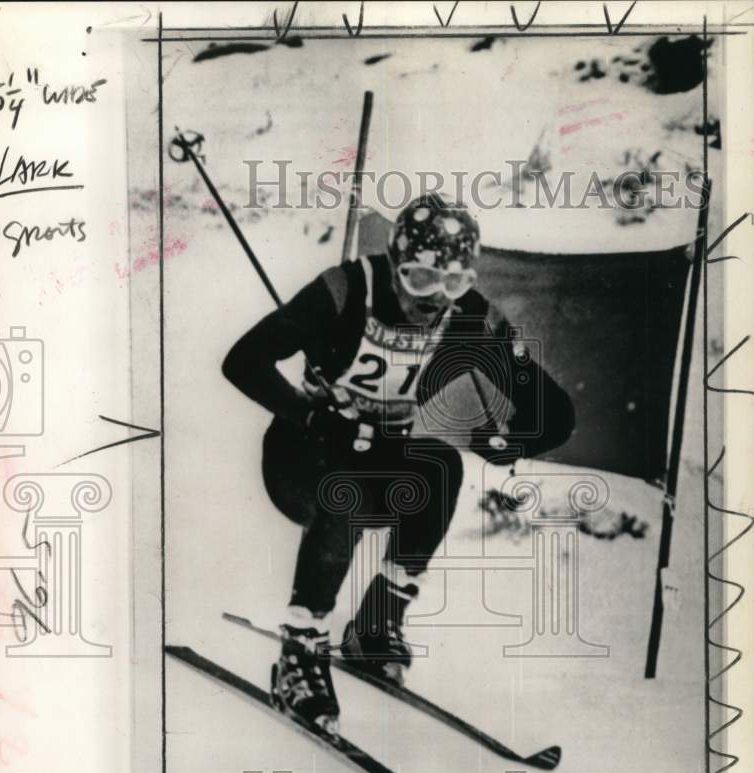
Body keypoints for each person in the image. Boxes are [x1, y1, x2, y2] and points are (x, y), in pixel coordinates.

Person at [223, 194, 574, 733]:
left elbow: (553, 414)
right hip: (302, 456)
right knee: (342, 489)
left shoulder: (472, 316)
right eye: (419, 279)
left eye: (452, 283)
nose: (433, 299)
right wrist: (309, 415)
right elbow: (243, 360)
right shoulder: (344, 289)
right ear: (394, 263)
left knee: (440, 466)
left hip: (379, 458)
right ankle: (301, 647)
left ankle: (377, 621)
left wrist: (504, 443)